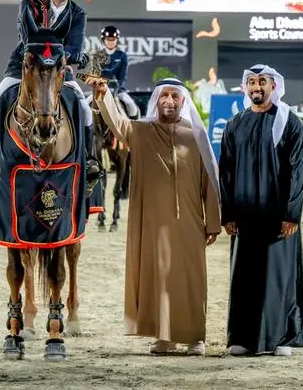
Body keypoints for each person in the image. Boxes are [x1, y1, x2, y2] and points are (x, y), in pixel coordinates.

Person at [87, 75, 222, 356]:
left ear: (183, 101)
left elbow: (209, 179)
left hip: (190, 221)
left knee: (191, 279)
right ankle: (164, 337)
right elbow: (120, 124)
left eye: (175, 96)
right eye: (164, 96)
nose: (169, 101)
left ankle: (195, 337)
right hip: (154, 223)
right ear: (157, 100)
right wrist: (104, 95)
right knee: (160, 278)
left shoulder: (196, 135)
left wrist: (212, 222)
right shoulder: (143, 132)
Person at [0, 0, 100, 189]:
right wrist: (63, 54)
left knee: (85, 108)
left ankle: (89, 159)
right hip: (26, 67)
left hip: (58, 71)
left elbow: (75, 48)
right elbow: (29, 42)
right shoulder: (29, 6)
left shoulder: (78, 14)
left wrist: (69, 58)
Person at [218, 64, 303, 357]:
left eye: (263, 82)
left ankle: (282, 338)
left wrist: (292, 213)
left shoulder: (289, 123)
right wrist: (227, 214)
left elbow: (298, 170)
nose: (257, 87)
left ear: (274, 87)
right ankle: (243, 338)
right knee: (245, 277)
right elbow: (226, 172)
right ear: (245, 88)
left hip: (278, 218)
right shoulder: (235, 124)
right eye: (252, 82)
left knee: (278, 277)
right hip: (244, 217)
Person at [98, 25, 139, 118]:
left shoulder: (122, 56)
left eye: (113, 40)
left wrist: (118, 86)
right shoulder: (97, 55)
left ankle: (133, 128)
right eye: (108, 39)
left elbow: (122, 76)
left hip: (118, 89)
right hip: (101, 89)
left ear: (117, 40)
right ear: (103, 40)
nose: (111, 42)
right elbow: (95, 74)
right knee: (87, 105)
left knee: (131, 107)